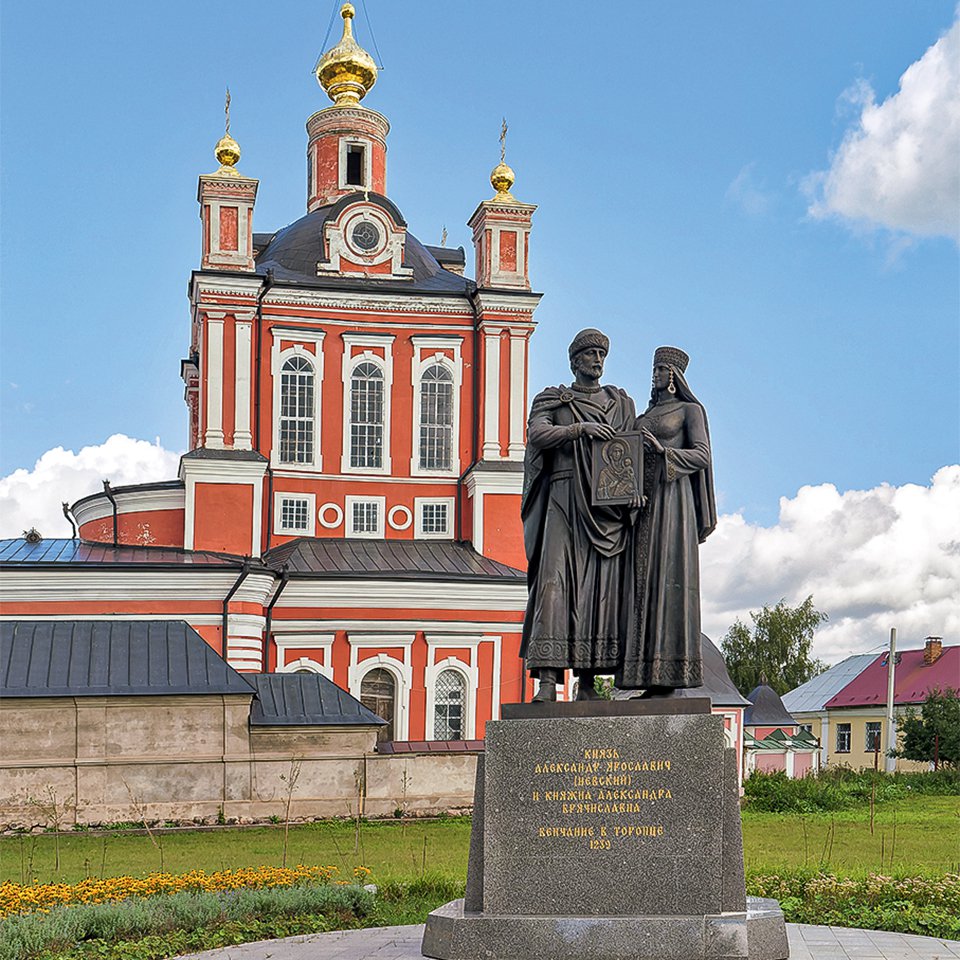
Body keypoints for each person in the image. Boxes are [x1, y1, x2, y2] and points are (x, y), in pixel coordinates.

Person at [520, 329, 638, 702]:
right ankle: (547, 681)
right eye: (590, 354)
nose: (597, 360)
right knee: (553, 584)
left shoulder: (620, 403)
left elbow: (631, 451)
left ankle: (586, 684)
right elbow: (538, 434)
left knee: (596, 592)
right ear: (575, 361)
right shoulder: (553, 399)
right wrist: (579, 429)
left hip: (605, 509)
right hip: (563, 497)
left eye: (602, 354)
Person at [618, 345, 717, 691]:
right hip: (643, 504)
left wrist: (664, 452)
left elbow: (702, 455)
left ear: (675, 376)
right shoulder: (644, 415)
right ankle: (646, 676)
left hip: (673, 502)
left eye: (662, 369)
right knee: (641, 583)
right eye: (655, 369)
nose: (656, 375)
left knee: (669, 578)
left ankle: (670, 677)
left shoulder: (690, 410)